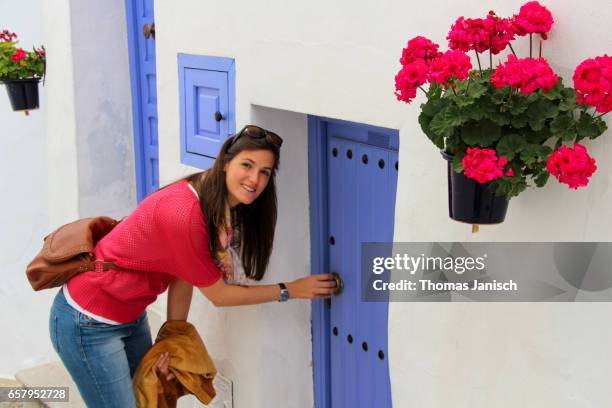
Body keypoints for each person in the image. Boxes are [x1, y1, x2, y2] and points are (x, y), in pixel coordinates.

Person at [48, 125, 337, 407]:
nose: (255, 179)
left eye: (265, 172)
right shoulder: (186, 214)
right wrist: (290, 290)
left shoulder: (212, 204)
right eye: (247, 165)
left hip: (130, 315)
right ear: (225, 162)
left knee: (151, 398)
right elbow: (220, 295)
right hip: (88, 321)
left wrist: (173, 340)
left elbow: (181, 276)